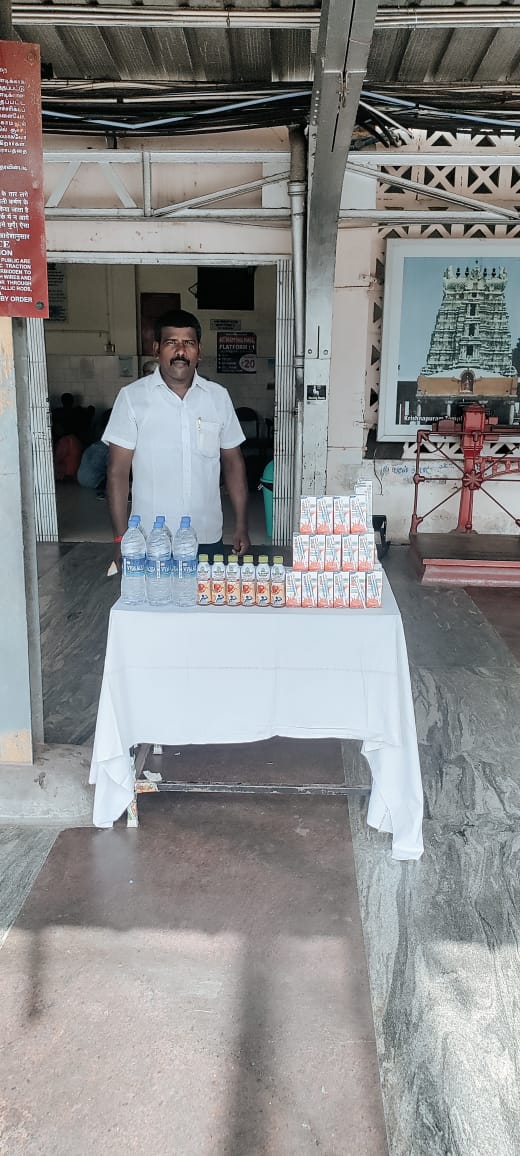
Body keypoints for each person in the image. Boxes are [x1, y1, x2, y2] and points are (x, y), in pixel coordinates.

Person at [103, 309, 250, 567]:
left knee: (204, 606)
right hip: (149, 540)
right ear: (156, 349)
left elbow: (233, 462)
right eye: (172, 342)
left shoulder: (217, 397)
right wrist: (120, 538)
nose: (180, 351)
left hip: (206, 535)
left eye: (189, 343)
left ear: (199, 351)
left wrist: (241, 524)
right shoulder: (132, 398)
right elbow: (118, 472)